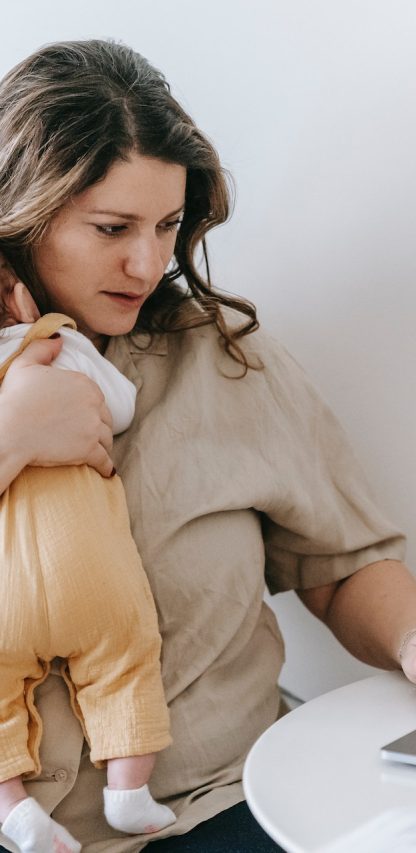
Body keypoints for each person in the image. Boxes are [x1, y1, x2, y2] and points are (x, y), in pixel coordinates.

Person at [0, 39, 416, 853]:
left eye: (167, 225)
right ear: (22, 209)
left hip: (214, 804)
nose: (149, 262)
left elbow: (339, 562)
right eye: (112, 227)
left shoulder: (223, 360)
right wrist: (13, 434)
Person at [0, 278, 176, 852]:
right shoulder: (53, 341)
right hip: (90, 567)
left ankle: (14, 812)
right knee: (127, 661)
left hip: (4, 592)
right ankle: (128, 793)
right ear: (22, 296)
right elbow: (118, 409)